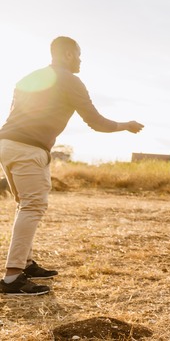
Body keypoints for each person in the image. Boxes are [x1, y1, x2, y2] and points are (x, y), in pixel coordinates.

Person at [0, 36, 144, 295]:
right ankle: (12, 278)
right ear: (67, 55)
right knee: (33, 206)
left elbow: (13, 113)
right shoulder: (70, 80)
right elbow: (96, 122)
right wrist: (126, 125)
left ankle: (26, 263)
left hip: (6, 145)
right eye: (78, 55)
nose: (80, 60)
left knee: (25, 204)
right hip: (29, 149)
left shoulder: (28, 78)